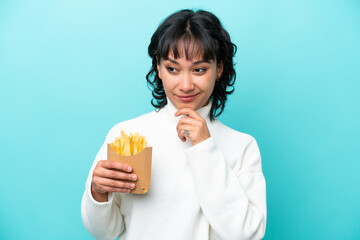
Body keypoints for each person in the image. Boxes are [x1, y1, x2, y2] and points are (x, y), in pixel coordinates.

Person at [81, 9, 266, 240]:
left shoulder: (242, 146)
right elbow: (106, 232)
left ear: (219, 69)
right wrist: (98, 193)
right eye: (172, 69)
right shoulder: (126, 135)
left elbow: (246, 234)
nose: (186, 85)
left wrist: (205, 147)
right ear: (158, 67)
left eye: (199, 69)